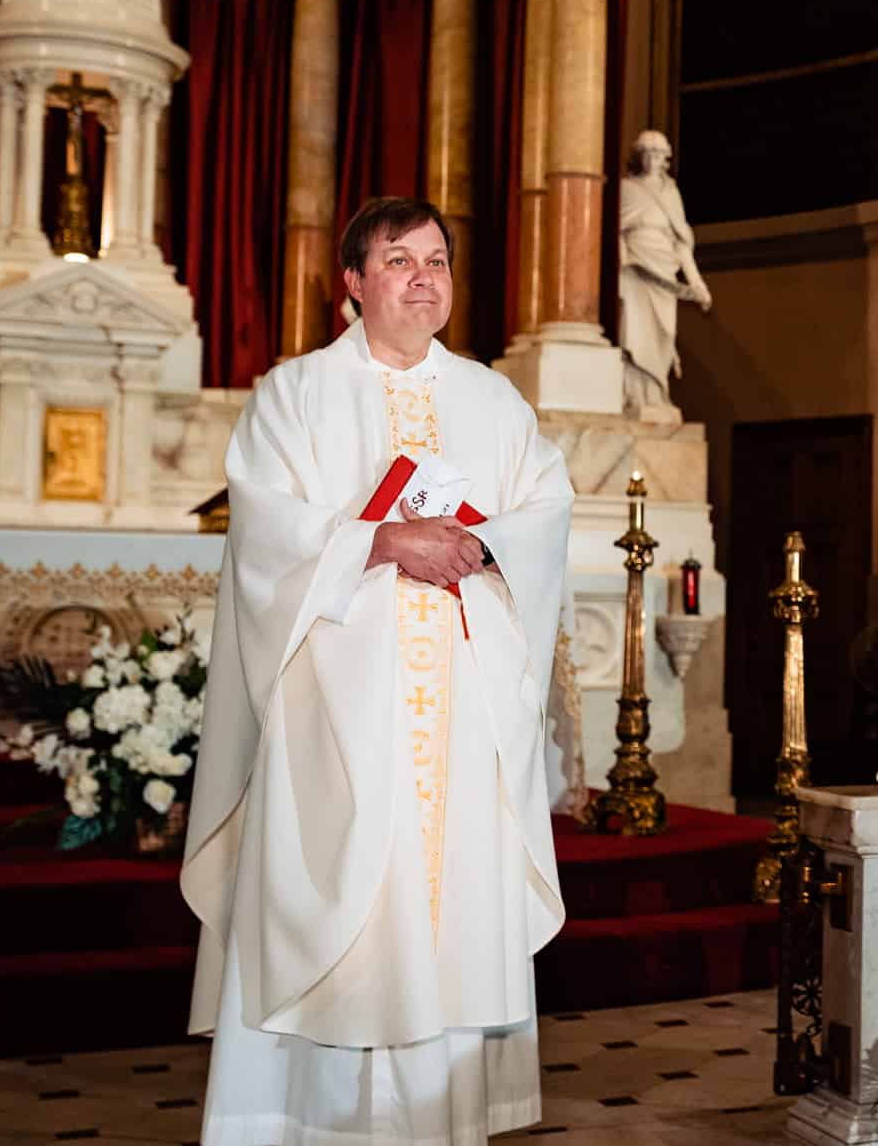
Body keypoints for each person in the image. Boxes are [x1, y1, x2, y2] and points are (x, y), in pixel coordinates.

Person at [181, 196, 576, 1145]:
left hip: (461, 718)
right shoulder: (295, 393)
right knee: (337, 909)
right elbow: (267, 532)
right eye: (398, 260)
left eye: (436, 259)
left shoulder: (493, 399)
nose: (423, 276)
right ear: (351, 284)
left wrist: (479, 544)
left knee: (446, 918)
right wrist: (383, 538)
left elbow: (546, 510)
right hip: (336, 715)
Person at [618, 129, 712, 408]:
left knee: (664, 333)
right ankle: (637, 396)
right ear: (639, 157)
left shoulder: (671, 193)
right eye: (647, 153)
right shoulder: (627, 189)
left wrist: (697, 283)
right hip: (635, 269)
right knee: (634, 330)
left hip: (664, 270)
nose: (653, 159)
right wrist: (622, 264)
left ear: (666, 159)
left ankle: (657, 393)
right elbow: (616, 233)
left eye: (658, 154)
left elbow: (681, 243)